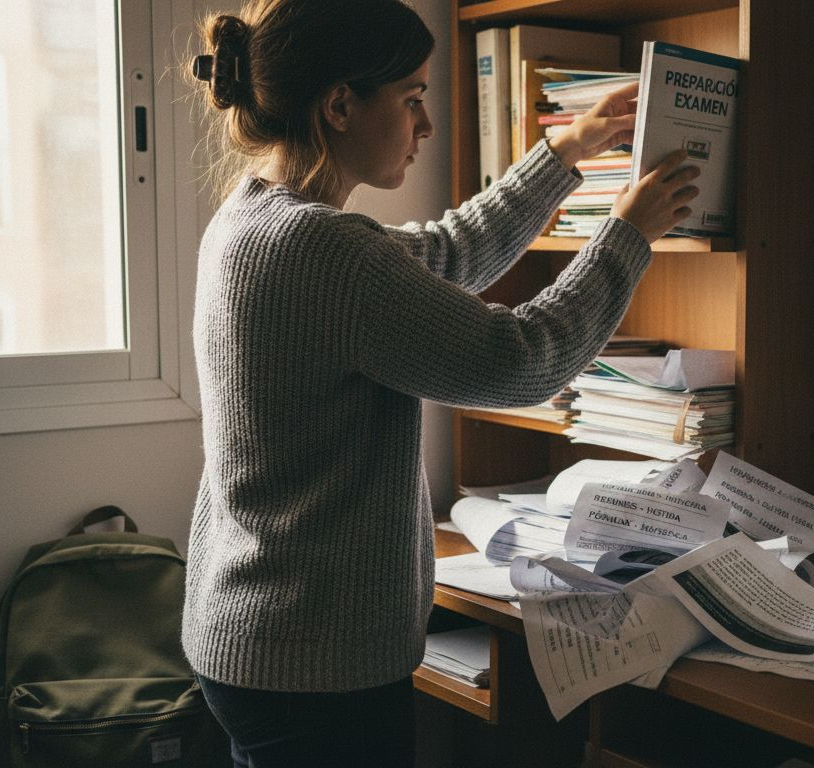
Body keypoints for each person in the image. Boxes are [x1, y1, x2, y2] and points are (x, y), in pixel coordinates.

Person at [182, 0, 699, 764]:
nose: (426, 125)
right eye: (412, 98)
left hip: (257, 634)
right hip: (312, 664)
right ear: (339, 106)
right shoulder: (320, 248)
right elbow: (521, 359)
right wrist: (626, 236)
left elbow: (447, 253)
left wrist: (567, 151)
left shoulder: (253, 218)